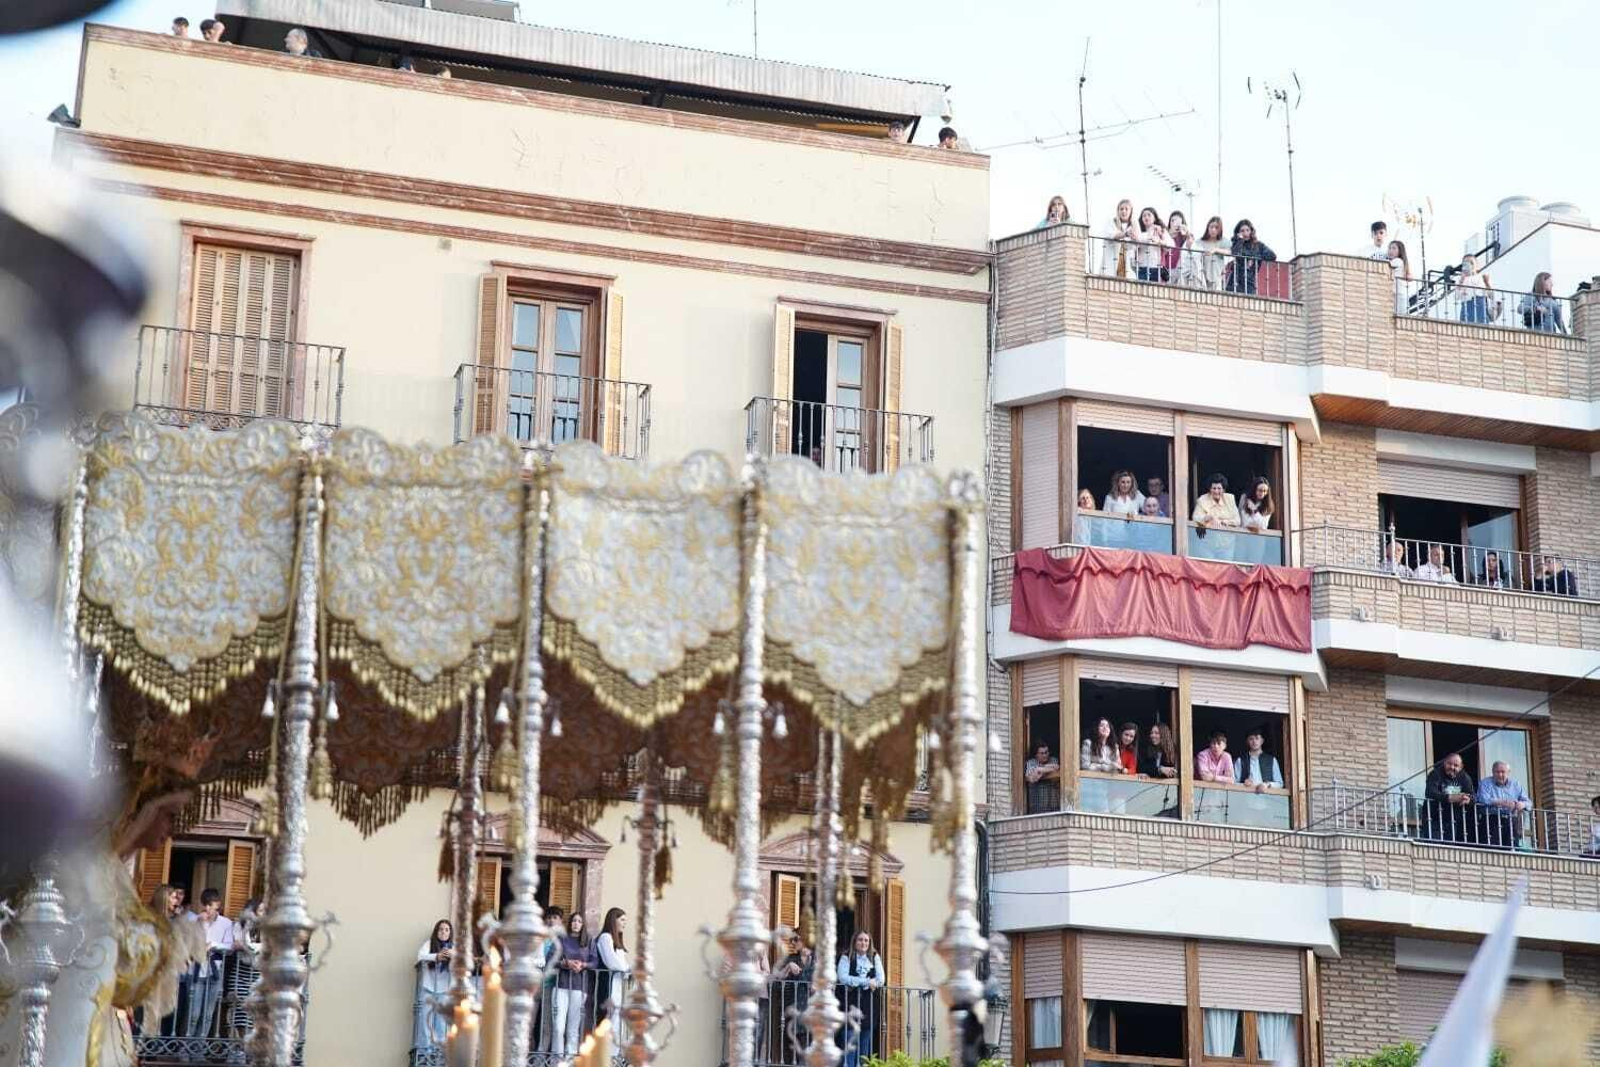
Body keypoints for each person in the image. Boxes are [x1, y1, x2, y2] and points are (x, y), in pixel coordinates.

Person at [835, 930, 884, 1067]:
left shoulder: (874, 957)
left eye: (866, 940)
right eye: (860, 940)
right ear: (855, 942)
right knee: (849, 1046)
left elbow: (881, 979)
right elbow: (843, 978)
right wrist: (866, 982)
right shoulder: (846, 956)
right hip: (850, 1006)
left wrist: (857, 982)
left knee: (863, 1050)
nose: (863, 943)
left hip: (869, 1006)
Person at [552, 911, 596, 1055]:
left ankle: (570, 1059)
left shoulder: (588, 940)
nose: (576, 923)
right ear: (569, 923)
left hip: (579, 987)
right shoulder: (561, 939)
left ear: (583, 925)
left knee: (573, 1028)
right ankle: (556, 1059)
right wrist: (566, 963)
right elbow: (551, 960)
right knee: (558, 1026)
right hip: (561, 986)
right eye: (573, 921)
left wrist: (583, 965)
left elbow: (595, 962)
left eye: (579, 921)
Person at [414, 919, 454, 1048]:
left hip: (444, 990)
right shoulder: (429, 944)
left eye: (447, 929)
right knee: (425, 1021)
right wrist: (436, 956)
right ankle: (425, 1053)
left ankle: (438, 1055)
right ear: (436, 931)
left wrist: (453, 956)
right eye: (441, 929)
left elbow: (464, 961)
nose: (443, 932)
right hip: (428, 988)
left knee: (441, 1024)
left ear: (450, 933)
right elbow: (420, 956)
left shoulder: (453, 947)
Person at [1475, 760, 1532, 850]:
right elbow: (1482, 799)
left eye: (1503, 772)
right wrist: (1502, 802)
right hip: (1491, 819)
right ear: (1493, 772)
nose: (1500, 775)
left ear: (1508, 773)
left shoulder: (1515, 784)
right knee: (1492, 849)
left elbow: (1529, 803)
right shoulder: (1485, 783)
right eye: (1497, 772)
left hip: (1510, 820)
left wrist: (1522, 804)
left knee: (1511, 848)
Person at [1422, 753, 1476, 844]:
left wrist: (1468, 799)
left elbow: (1473, 797)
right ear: (1444, 763)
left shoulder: (1465, 778)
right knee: (1434, 847)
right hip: (1434, 818)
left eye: (1456, 765)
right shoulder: (1435, 774)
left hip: (1455, 820)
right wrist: (1450, 798)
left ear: (1461, 766)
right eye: (1449, 764)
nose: (1452, 767)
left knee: (1451, 848)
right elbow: (1430, 793)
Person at [535, 906, 565, 1054]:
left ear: (561, 921)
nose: (551, 920)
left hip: (551, 985)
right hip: (535, 984)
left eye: (555, 917)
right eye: (549, 917)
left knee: (547, 1024)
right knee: (529, 1022)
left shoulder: (564, 939)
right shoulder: (541, 936)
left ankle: (540, 1057)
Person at [595, 908, 629, 1034]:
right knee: (608, 1018)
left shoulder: (617, 941)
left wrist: (627, 970)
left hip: (617, 985)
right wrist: (627, 969)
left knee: (616, 1019)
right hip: (608, 984)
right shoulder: (605, 937)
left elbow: (622, 963)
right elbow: (611, 962)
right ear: (613, 920)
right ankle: (605, 1051)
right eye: (622, 920)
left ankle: (613, 1052)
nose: (624, 923)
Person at [1226, 219, 1276, 295]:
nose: (1245, 233)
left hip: (1249, 279)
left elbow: (1272, 256)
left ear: (1251, 231)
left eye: (1247, 230)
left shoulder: (1259, 245)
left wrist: (1254, 258)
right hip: (1235, 279)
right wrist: (1240, 241)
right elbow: (1235, 253)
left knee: (1249, 301)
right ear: (1238, 233)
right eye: (1242, 231)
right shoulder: (1236, 243)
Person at [1132, 207, 1170, 283]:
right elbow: (1136, 246)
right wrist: (1150, 234)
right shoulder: (1139, 233)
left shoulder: (1161, 232)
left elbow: (1169, 247)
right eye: (1144, 216)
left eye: (1149, 215)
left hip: (1155, 268)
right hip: (1142, 267)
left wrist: (1160, 239)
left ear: (1154, 218)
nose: (1146, 217)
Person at [1453, 254, 1494, 324]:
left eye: (1471, 262)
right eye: (1466, 263)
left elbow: (1491, 296)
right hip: (1467, 307)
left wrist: (1487, 283)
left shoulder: (1483, 277)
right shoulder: (1460, 279)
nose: (1469, 265)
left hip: (1480, 307)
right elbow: (1456, 297)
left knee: (1482, 328)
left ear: (1476, 265)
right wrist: (1461, 280)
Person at [1192, 216, 1229, 290]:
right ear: (1207, 228)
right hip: (1200, 277)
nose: (1213, 230)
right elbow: (1192, 251)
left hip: (1216, 278)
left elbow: (1230, 252)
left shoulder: (1223, 241)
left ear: (1220, 229)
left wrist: (1216, 250)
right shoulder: (1200, 242)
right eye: (1211, 227)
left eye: (1216, 227)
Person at [1101, 199, 1136, 277]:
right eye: (1121, 209)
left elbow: (1135, 246)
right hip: (1111, 263)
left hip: (1126, 265)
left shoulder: (1134, 225)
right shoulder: (1111, 221)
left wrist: (1135, 238)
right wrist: (1125, 234)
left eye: (1126, 209)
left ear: (1131, 211)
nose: (1124, 211)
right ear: (1118, 211)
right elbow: (1111, 236)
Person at [1024, 742, 1061, 812]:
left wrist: (1039, 769)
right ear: (1036, 755)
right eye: (1042, 753)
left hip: (1053, 807)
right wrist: (1046, 769)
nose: (1045, 755)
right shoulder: (1031, 762)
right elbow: (1033, 778)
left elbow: (1056, 767)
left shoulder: (1053, 760)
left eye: (1046, 752)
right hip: (1036, 807)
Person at [1164, 211, 1194, 285]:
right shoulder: (1165, 234)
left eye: (1178, 221)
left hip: (1179, 270)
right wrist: (1169, 234)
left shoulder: (1183, 237)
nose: (1175, 223)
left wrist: (1186, 233)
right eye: (1172, 220)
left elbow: (1191, 246)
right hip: (1164, 269)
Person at [1388, 239, 1412, 315]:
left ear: (1400, 251)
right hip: (1400, 295)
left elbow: (1385, 267)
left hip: (1398, 296)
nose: (1390, 250)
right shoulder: (1402, 262)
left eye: (1394, 248)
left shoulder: (1397, 261)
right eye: (1389, 248)